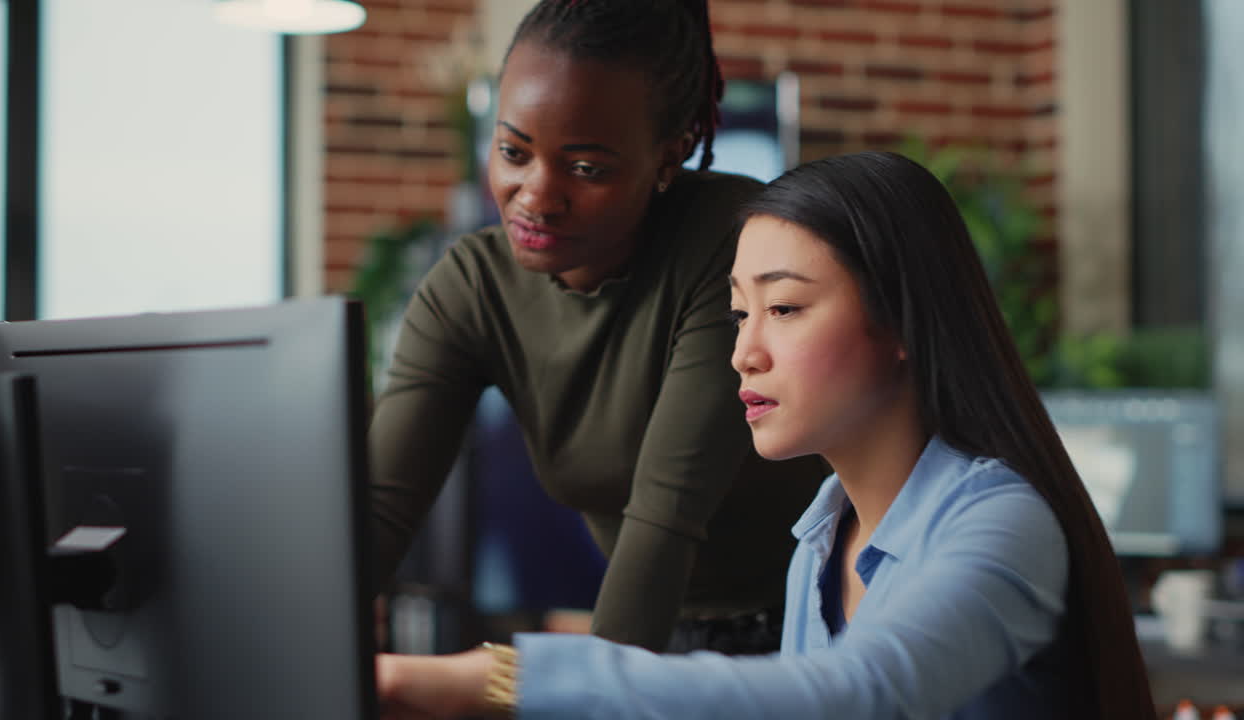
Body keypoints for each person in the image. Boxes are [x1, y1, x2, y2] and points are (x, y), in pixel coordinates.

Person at [371, 152, 1157, 720]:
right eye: (739, 313)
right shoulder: (820, 539)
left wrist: (500, 681)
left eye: (783, 309)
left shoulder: (998, 522)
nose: (743, 351)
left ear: (902, 324)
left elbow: (859, 695)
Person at [368, 0, 827, 654]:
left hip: (812, 632)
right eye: (513, 151)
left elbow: (665, 517)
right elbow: (379, 514)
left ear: (672, 156)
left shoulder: (732, 247)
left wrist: (592, 695)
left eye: (586, 168)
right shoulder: (473, 288)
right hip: (664, 639)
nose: (536, 194)